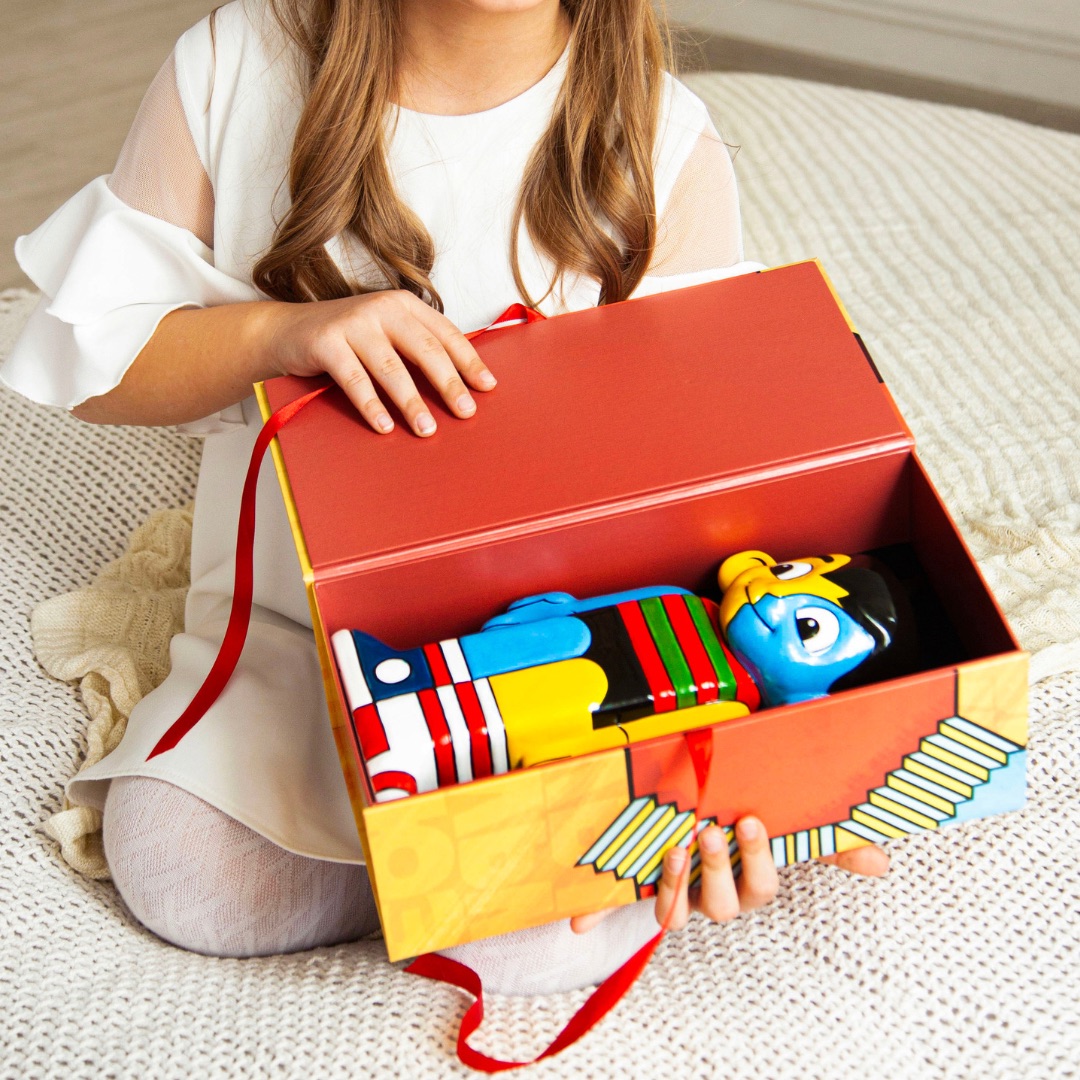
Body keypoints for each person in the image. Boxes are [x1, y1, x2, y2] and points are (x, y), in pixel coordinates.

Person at [2, 0, 887, 995]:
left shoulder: (662, 136)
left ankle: (484, 871)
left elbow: (710, 485)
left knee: (524, 945)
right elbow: (102, 367)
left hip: (552, 650)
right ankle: (451, 872)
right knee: (181, 871)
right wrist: (279, 335)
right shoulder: (235, 62)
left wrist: (768, 762)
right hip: (297, 630)